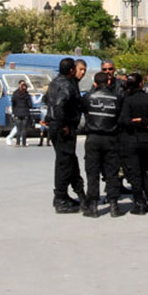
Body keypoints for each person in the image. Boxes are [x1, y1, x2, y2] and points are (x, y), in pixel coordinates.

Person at [44, 57, 85, 213]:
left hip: (56, 126)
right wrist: (65, 125)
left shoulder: (54, 82)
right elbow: (61, 104)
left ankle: (64, 195)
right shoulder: (66, 85)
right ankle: (60, 198)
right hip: (62, 128)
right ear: (71, 70)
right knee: (64, 163)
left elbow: (46, 100)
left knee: (67, 160)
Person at [81, 72, 123, 217]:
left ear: (95, 83)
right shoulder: (117, 98)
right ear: (109, 82)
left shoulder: (88, 97)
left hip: (93, 138)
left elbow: (84, 112)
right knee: (112, 172)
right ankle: (114, 205)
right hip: (111, 138)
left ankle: (93, 206)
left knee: (92, 172)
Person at [119, 72, 148, 214]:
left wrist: (137, 122)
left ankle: (139, 203)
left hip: (132, 139)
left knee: (135, 172)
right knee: (146, 170)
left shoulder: (127, 100)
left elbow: (124, 120)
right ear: (141, 84)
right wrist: (146, 121)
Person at [10, 80, 33, 147]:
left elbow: (13, 103)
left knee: (18, 129)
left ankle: (17, 143)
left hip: (17, 113)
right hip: (25, 113)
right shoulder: (27, 95)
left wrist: (14, 112)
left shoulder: (15, 93)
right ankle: (24, 143)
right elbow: (30, 105)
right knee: (24, 129)